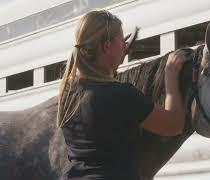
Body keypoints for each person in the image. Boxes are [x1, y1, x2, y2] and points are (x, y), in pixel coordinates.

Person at [56, 10, 187, 180]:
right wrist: (170, 73)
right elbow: (174, 125)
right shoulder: (120, 95)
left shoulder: (69, 94)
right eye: (121, 40)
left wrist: (113, 58)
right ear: (106, 46)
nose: (125, 46)